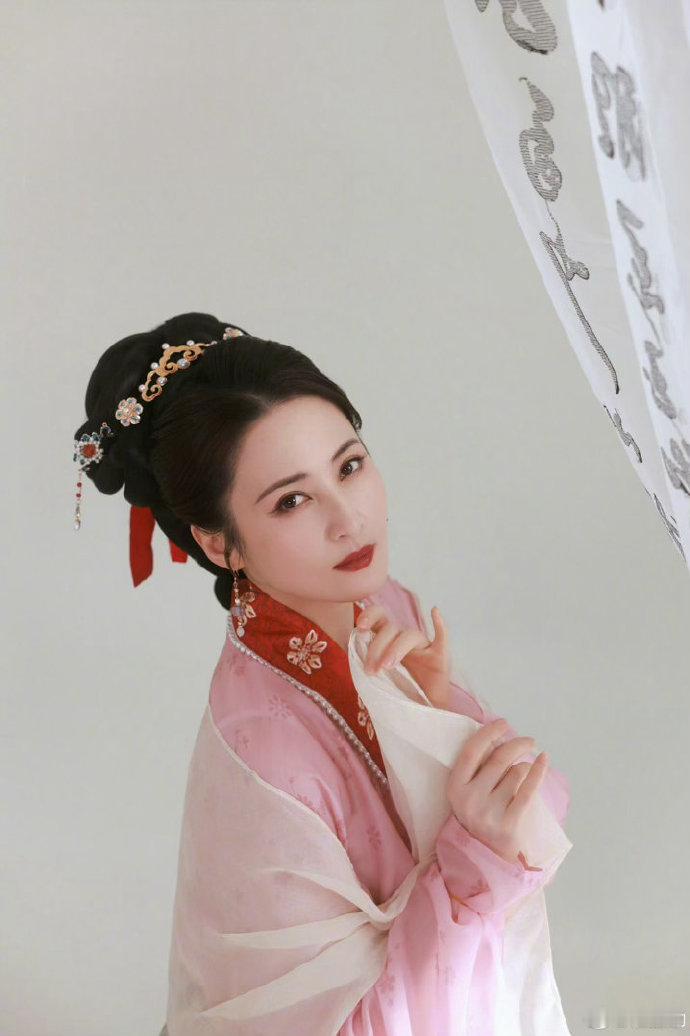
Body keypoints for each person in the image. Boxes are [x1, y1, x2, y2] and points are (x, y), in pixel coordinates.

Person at [73, 312, 572, 1035]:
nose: (348, 521)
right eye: (292, 500)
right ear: (218, 543)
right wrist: (475, 858)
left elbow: (536, 799)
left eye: (350, 466)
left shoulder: (378, 605)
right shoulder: (264, 752)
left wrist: (439, 712)